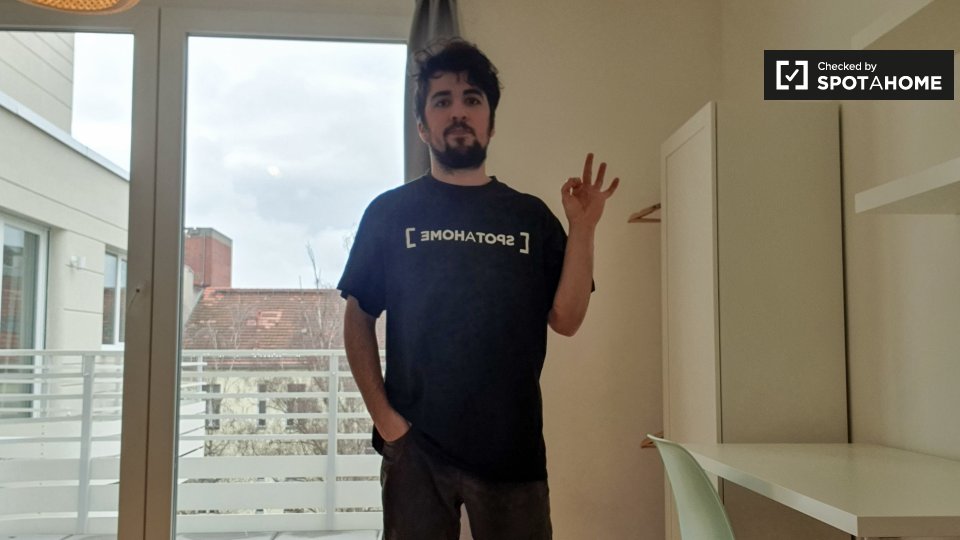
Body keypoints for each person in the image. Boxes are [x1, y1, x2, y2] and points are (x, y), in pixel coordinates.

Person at [337, 38, 619, 540]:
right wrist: (387, 422)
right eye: (441, 100)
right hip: (416, 450)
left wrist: (584, 229)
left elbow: (567, 319)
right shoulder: (390, 214)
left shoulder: (530, 216)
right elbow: (358, 317)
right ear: (422, 125)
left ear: (490, 122)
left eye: (472, 99)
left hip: (513, 451)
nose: (458, 112)